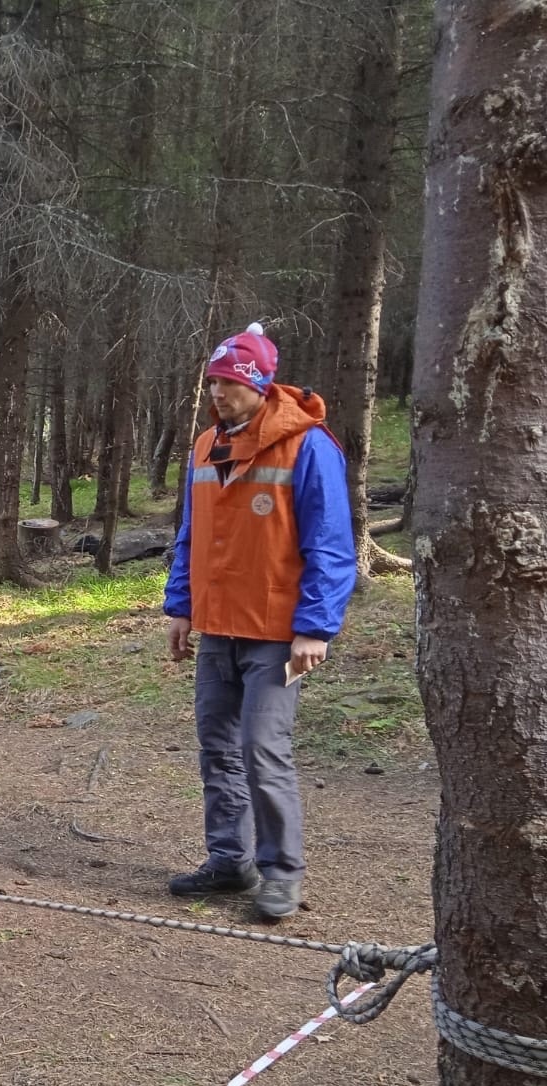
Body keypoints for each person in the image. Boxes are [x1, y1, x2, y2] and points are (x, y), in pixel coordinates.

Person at [163, 322, 355, 920]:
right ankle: (229, 861)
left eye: (229, 382)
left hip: (277, 634)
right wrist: (181, 607)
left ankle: (282, 873)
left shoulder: (307, 446)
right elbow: (193, 535)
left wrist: (316, 627)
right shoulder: (205, 446)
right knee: (216, 748)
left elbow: (331, 543)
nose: (218, 392)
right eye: (214, 382)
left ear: (259, 382)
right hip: (218, 627)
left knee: (262, 749)